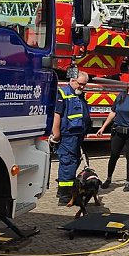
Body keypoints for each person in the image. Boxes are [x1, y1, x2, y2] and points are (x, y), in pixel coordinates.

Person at [98, 77, 129, 192]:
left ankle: (128, 182)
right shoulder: (121, 96)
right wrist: (103, 127)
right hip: (118, 131)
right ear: (128, 85)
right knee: (114, 155)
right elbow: (113, 112)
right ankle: (109, 179)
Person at [51, 71, 91, 204]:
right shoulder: (63, 93)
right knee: (68, 164)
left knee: (73, 162)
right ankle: (65, 196)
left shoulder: (79, 94)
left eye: (85, 85)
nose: (82, 87)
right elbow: (57, 115)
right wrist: (56, 134)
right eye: (80, 84)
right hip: (67, 136)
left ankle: (63, 190)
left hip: (76, 136)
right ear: (72, 80)